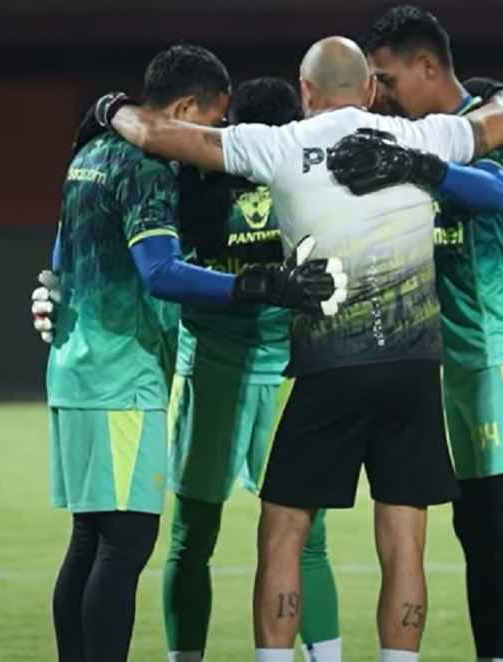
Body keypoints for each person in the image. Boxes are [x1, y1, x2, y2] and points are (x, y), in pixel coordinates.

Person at [93, 34, 503, 662]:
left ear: (305, 92)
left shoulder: (281, 143)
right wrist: (474, 113)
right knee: (405, 540)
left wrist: (111, 108)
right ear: (372, 89)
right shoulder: (424, 138)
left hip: (330, 369)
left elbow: (161, 136)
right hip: (413, 367)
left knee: (284, 533)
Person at [35, 44, 345, 662]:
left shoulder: (94, 155)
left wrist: (55, 293)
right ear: (184, 109)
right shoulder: (158, 168)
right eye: (212, 124)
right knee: (131, 544)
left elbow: (66, 253)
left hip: (106, 369)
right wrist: (254, 284)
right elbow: (160, 271)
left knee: (101, 540)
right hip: (141, 376)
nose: (213, 141)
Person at [348, 7, 503, 662]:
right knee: (473, 526)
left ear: (426, 65)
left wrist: (413, 164)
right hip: (456, 362)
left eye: (387, 77)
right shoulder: (424, 134)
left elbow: (489, 192)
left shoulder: (485, 132)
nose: (381, 93)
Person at [162, 77, 343, 662]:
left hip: (211, 374)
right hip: (292, 379)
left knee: (191, 542)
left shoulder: (195, 176)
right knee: (308, 544)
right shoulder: (306, 175)